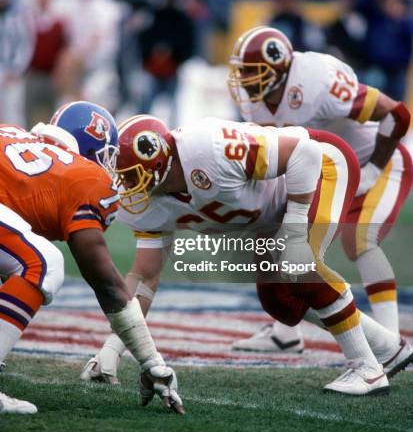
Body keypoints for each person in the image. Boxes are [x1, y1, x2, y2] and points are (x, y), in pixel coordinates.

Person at [82, 114, 412, 396]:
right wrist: (114, 347)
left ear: (159, 162)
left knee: (298, 266)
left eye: (131, 176)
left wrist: (295, 230)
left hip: (321, 168)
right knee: (278, 298)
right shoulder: (146, 204)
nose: (125, 186)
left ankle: (367, 368)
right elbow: (144, 278)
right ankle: (389, 348)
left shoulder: (209, 148)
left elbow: (306, 153)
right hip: (270, 215)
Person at [226, 25, 412, 352]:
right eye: (241, 72)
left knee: (359, 240)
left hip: (377, 161)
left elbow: (397, 114)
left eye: (251, 72)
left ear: (279, 70)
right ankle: (285, 332)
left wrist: (373, 168)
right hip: (325, 172)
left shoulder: (316, 81)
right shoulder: (255, 104)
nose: (243, 80)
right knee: (277, 243)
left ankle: (390, 340)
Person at [0, 101, 183, 415]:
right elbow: (106, 282)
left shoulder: (11, 131)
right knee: (43, 264)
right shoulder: (85, 176)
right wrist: (151, 360)